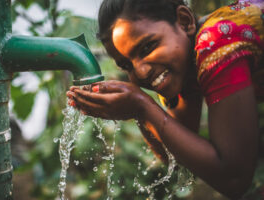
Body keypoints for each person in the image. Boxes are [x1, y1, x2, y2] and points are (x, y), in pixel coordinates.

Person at [67, 0, 264, 199]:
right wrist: (139, 111)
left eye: (147, 48)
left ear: (184, 21)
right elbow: (175, 159)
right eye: (127, 66)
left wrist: (143, 106)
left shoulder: (216, 41)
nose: (141, 72)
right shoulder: (180, 64)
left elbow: (235, 179)